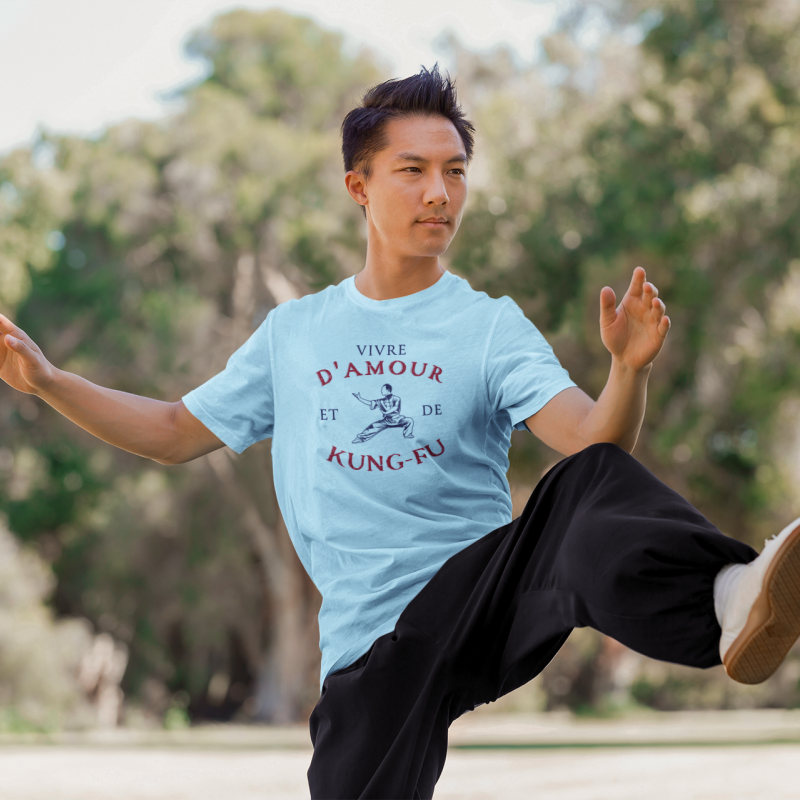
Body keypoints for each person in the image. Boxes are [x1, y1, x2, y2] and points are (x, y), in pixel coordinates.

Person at [1, 64, 799, 799]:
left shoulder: (488, 327)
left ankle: (727, 595)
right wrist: (49, 382)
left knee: (585, 482)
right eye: (413, 171)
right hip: (370, 646)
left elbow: (595, 441)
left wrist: (628, 370)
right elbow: (174, 430)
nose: (438, 193)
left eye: (455, 172)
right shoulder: (294, 334)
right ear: (360, 185)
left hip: (480, 598)